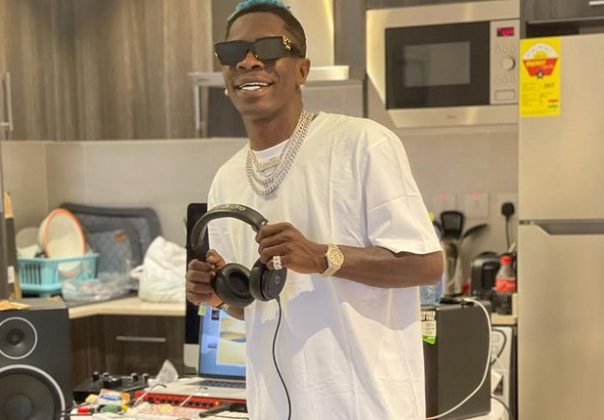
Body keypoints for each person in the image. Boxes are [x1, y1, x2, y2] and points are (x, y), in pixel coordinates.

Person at [186, 1, 443, 418]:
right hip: (273, 408)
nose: (249, 62)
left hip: (367, 408)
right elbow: (253, 302)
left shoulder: (362, 144)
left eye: (269, 48)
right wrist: (218, 295)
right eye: (233, 53)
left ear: (302, 70)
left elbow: (427, 265)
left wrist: (323, 257)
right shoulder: (226, 180)